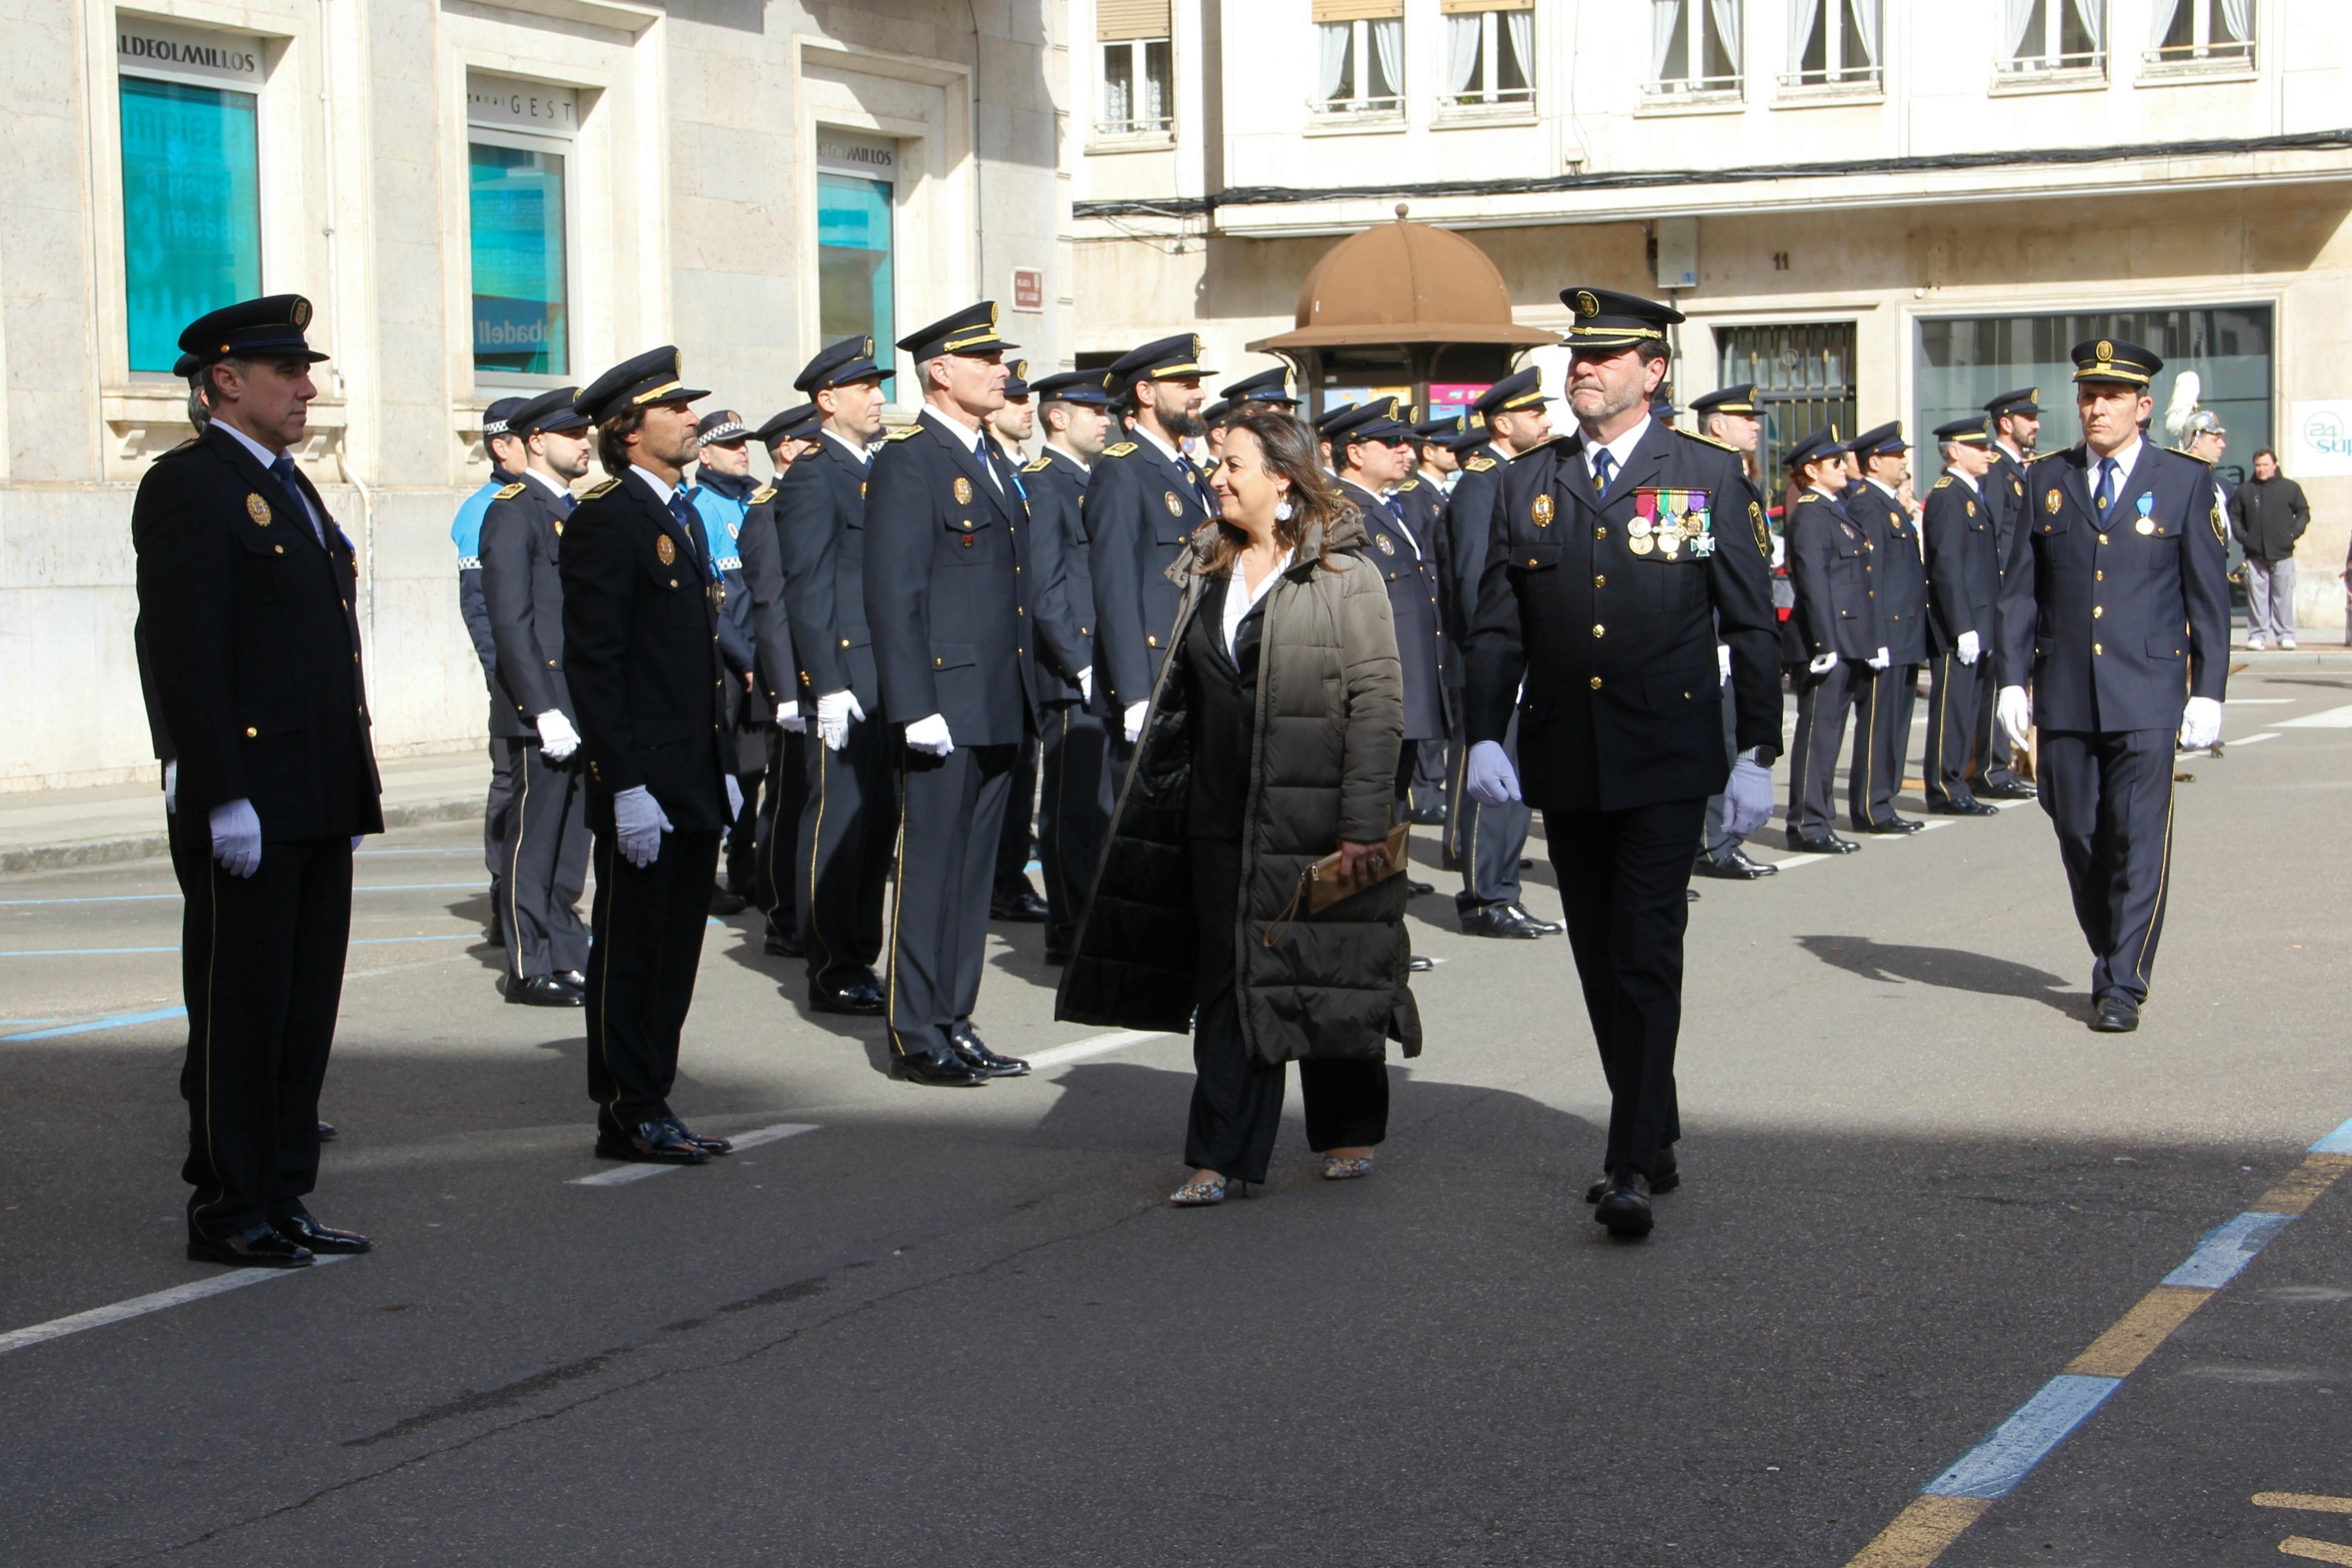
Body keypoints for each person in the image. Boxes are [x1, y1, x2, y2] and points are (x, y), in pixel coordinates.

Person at [1461, 286, 1780, 1238]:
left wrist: (1756, 747)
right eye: (1576, 357)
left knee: (1644, 947)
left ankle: (1630, 1159)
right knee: (1599, 955)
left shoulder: (1706, 475)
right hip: (1567, 750)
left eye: (1604, 357)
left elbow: (1750, 621)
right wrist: (1483, 728)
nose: (1582, 369)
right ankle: (1659, 1124)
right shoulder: (1529, 481)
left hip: (1665, 752)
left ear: (1654, 371)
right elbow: (1496, 624)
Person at [1057, 408, 1416, 1206]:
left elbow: (1377, 703)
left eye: (1232, 466)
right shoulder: (1206, 567)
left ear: (1281, 478)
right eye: (1216, 463)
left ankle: (1348, 1130)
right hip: (1217, 816)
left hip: (1317, 818)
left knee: (1328, 974)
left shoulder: (1342, 573)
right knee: (1228, 978)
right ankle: (1220, 1155)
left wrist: (1363, 827)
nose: (1215, 477)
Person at [134, 294, 382, 1266]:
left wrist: (348, 783)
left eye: (306, 372)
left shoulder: (292, 485)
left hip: (316, 786)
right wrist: (214, 786)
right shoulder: (190, 486)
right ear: (224, 382)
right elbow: (183, 649)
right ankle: (230, 1203)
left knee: (303, 1005)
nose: (306, 388)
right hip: (250, 792)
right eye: (286, 373)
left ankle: (283, 1189)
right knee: (241, 1006)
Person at [1994, 337, 2229, 1034]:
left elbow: (2207, 599)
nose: (2095, 408)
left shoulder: (2184, 480)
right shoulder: (2047, 479)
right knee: (2076, 829)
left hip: (2149, 690)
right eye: (2088, 396)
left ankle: (2122, 980)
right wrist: (2012, 680)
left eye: (2112, 397)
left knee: (2136, 836)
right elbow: (2018, 592)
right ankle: (2111, 944)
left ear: (2143, 406)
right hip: (2065, 690)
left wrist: (2209, 689)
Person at [560, 347, 739, 1165]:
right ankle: (627, 1105)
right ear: (628, 432)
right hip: (645, 781)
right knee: (632, 952)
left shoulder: (682, 512)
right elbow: (597, 665)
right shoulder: (607, 518)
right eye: (674, 409)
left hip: (692, 772)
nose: (691, 417)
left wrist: (723, 765)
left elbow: (692, 661)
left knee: (674, 953)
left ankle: (654, 1095)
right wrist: (624, 784)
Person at [864, 302, 1050, 1086]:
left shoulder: (992, 459)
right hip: (944, 704)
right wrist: (914, 705)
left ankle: (955, 1017)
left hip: (999, 701)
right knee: (932, 872)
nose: (1000, 373)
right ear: (941, 371)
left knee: (974, 878)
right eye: (985, 361)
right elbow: (894, 592)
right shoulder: (911, 461)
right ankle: (916, 1029)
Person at [777, 337, 897, 1014]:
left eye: (879, 387)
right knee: (838, 820)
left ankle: (860, 952)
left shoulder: (871, 469)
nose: (878, 398)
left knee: (875, 826)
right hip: (845, 678)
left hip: (883, 676)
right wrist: (825, 682)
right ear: (827, 401)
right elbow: (808, 587)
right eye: (865, 389)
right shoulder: (813, 475)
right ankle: (830, 965)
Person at [480, 386, 597, 1007]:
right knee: (534, 839)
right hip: (543, 708)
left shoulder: (573, 511)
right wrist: (540, 707)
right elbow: (510, 620)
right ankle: (529, 964)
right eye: (573, 435)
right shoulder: (512, 510)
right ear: (535, 443)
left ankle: (564, 948)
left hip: (579, 703)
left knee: (571, 841)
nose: (586, 443)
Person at [1441, 371, 1556, 937]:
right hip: (1496, 662)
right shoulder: (1481, 484)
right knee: (1493, 781)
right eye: (1535, 415)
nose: (1547, 423)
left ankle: (1503, 889)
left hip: (1522, 658)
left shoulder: (1512, 478)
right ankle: (1485, 898)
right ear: (1503, 423)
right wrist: (1497, 660)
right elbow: (1472, 585)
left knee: (1515, 783)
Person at [1325, 397, 1447, 863]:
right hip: (1373, 690)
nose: (1405, 450)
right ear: (1355, 453)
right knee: (1366, 803)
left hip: (1403, 687)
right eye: (1392, 442)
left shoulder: (1384, 506)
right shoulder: (1340, 509)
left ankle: (1386, 878)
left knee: (1392, 799)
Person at [1022, 369, 1115, 965]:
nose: (1106, 420)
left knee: (1100, 805)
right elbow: (1046, 589)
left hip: (1102, 665)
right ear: (1058, 417)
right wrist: (1081, 662)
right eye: (1093, 411)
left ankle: (1090, 914)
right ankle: (1069, 923)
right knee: (1073, 808)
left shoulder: (1092, 480)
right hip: (1069, 671)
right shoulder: (1043, 483)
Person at [1088, 336, 1219, 750]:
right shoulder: (1122, 470)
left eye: (1197, 381)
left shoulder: (1192, 474)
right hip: (1154, 675)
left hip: (1198, 669)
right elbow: (1116, 588)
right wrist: (1135, 695)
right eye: (1184, 383)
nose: (1198, 392)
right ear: (1145, 393)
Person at [1688, 383, 1779, 880]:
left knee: (1730, 741)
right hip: (1714, 637)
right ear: (1716, 426)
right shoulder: (1703, 476)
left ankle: (1722, 842)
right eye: (1743, 418)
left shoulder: (1742, 479)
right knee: (1717, 744)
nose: (1756, 425)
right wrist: (1719, 637)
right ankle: (1713, 845)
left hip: (1734, 633)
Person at [741, 405, 818, 955]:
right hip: (791, 680)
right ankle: (781, 910)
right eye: (813, 443)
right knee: (790, 800)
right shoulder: (767, 511)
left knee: (814, 798)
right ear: (787, 449)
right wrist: (786, 692)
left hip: (823, 675)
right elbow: (770, 607)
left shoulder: (812, 499)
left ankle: (804, 903)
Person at [1783, 428, 1881, 855]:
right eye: (1836, 462)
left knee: (1832, 732)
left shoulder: (1833, 509)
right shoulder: (1810, 514)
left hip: (1847, 638)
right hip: (1826, 642)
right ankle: (1807, 822)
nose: (1846, 467)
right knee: (1818, 733)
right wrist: (1824, 643)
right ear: (1811, 470)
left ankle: (1819, 815)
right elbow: (1813, 582)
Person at [454, 397, 529, 944]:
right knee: (510, 784)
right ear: (502, 447)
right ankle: (505, 889)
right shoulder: (485, 508)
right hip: (513, 677)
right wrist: (504, 676)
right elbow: (482, 610)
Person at [687, 409, 766, 912]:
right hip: (724, 662)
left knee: (754, 767)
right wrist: (746, 661)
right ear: (705, 453)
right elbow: (714, 602)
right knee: (718, 768)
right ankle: (704, 872)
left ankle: (745, 862)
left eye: (745, 443)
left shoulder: (754, 503)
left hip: (760, 656)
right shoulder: (702, 508)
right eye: (731, 444)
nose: (742, 451)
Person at [987, 360, 1053, 923]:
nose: (1024, 406)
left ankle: (1007, 877)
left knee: (1022, 771)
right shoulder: (989, 469)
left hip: (1028, 649)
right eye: (1013, 398)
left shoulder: (1026, 470)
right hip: (996, 650)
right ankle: (997, 880)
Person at [1841, 423, 1928, 835]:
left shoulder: (1888, 504)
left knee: (1895, 723)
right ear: (1875, 462)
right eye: (1897, 456)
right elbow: (1868, 576)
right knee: (1879, 723)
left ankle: (1885, 800)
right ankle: (1871, 806)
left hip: (1906, 632)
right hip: (1887, 634)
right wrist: (1873, 637)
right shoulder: (1867, 506)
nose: (1904, 462)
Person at [1918, 416, 2003, 816]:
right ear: (1955, 451)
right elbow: (1947, 566)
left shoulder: (1971, 492)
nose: (1988, 452)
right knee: (1952, 707)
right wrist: (1962, 626)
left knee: (1970, 707)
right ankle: (1944, 786)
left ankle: (1960, 781)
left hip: (1981, 619)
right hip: (1960, 624)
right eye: (1978, 446)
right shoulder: (1947, 496)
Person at [1974, 388, 2040, 800]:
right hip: (2004, 591)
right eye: (2028, 417)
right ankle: (1993, 768)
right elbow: (1996, 538)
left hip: (2020, 589)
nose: (2035, 424)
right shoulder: (1997, 469)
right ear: (2006, 422)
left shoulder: (2019, 468)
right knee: (2001, 682)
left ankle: (2003, 764)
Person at [2229, 447, 2308, 651]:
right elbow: (2234, 517)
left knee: (2283, 596)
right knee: (2257, 598)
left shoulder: (2290, 488)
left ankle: (2285, 635)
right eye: (2258, 466)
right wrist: (2245, 538)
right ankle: (2257, 636)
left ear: (2275, 465)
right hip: (2255, 555)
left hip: (2282, 554)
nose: (2261, 469)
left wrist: (2292, 534)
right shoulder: (2245, 490)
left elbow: (2303, 513)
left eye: (2265, 465)